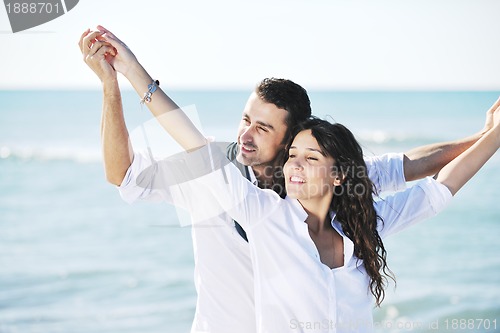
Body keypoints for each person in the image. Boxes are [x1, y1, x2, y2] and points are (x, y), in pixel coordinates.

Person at [78, 26, 498, 333]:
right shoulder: (234, 189)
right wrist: (116, 83)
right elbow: (127, 175)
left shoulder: (336, 194)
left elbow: (418, 171)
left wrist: (487, 137)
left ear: (290, 141)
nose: (245, 135)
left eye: (263, 128)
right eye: (245, 119)